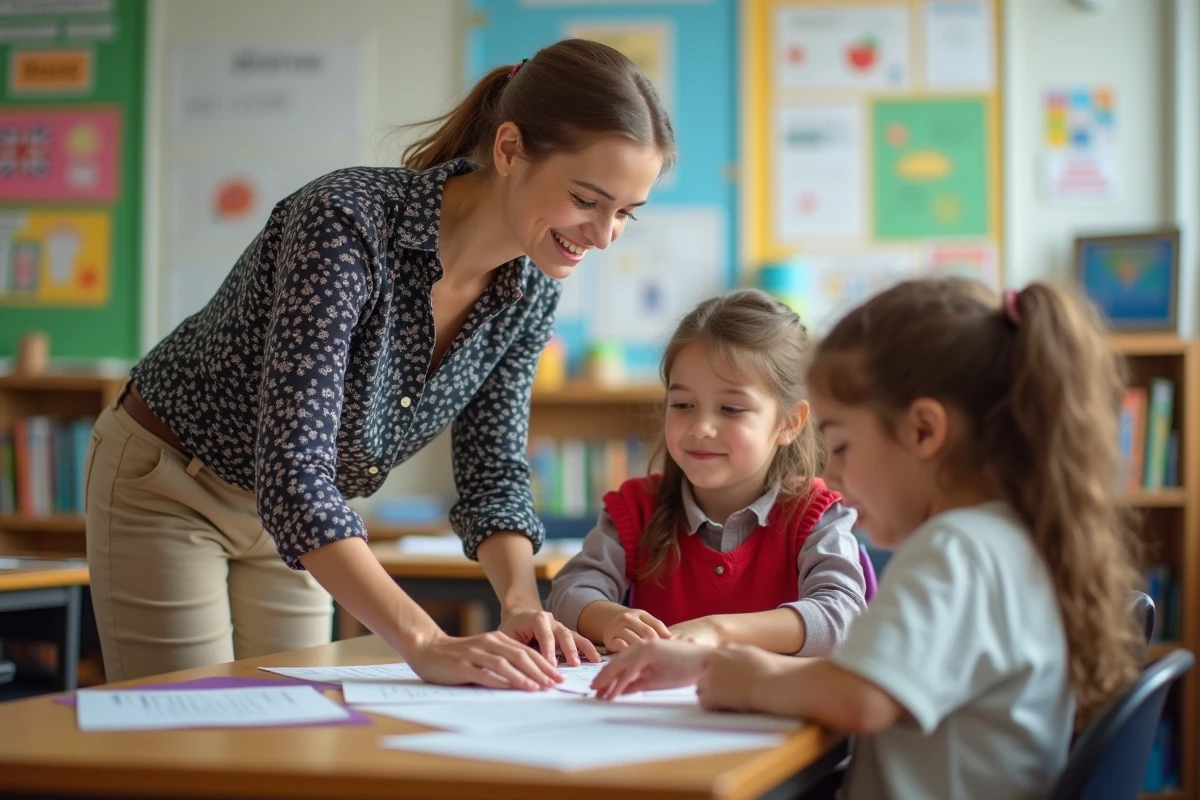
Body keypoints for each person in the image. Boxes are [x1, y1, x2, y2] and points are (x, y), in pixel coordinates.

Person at [84, 38, 675, 687]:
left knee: (293, 743)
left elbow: (492, 469)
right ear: (509, 150)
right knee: (186, 737)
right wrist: (424, 642)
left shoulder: (532, 287)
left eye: (625, 213)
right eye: (587, 200)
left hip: (304, 519)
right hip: (174, 484)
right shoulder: (348, 222)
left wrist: (521, 605)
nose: (604, 233)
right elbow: (295, 470)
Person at [591, 278, 1145, 800]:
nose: (831, 477)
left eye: (844, 446)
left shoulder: (955, 550)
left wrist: (740, 678)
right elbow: (874, 680)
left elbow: (860, 700)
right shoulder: (1011, 540)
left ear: (923, 431)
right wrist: (705, 667)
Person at [547, 289, 866, 656]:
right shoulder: (636, 508)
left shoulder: (816, 515)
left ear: (789, 423)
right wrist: (610, 619)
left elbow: (841, 616)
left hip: (772, 707)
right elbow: (569, 592)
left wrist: (717, 630)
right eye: (682, 404)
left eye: (730, 408)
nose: (700, 427)